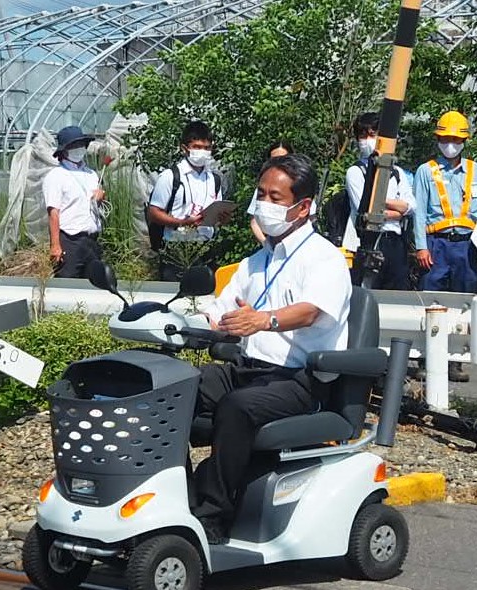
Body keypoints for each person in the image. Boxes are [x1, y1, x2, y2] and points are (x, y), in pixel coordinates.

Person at [193, 154, 352, 543]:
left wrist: (263, 319)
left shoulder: (325, 259)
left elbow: (311, 311)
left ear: (303, 207)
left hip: (298, 381)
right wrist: (196, 323)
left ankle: (213, 516)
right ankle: (173, 493)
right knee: (176, 388)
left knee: (237, 408)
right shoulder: (257, 261)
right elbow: (219, 309)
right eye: (261, 194)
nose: (264, 203)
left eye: (275, 197)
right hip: (247, 368)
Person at [413, 110, 477, 381]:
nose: (450, 143)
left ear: (463, 141)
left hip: (466, 245)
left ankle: (455, 361)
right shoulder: (426, 172)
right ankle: (428, 359)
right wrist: (421, 246)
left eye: (455, 139)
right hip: (436, 244)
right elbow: (419, 214)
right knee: (432, 301)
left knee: (463, 302)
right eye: (445, 138)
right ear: (438, 139)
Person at [342, 112, 415, 290]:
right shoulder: (355, 172)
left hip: (395, 241)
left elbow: (411, 206)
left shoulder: (396, 172)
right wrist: (398, 212)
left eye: (373, 135)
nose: (367, 140)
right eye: (363, 135)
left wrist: (384, 203)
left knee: (398, 294)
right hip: (367, 241)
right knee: (368, 293)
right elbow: (366, 207)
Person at [147, 120, 224, 281]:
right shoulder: (171, 176)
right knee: (175, 294)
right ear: (185, 148)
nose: (202, 152)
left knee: (202, 295)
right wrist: (182, 222)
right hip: (176, 246)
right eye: (197, 147)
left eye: (207, 148)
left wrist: (221, 218)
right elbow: (154, 213)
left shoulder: (214, 179)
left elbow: (218, 213)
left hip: (204, 246)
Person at [43, 125, 106, 278]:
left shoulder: (91, 174)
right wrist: (55, 245)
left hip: (91, 239)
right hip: (70, 240)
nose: (79, 149)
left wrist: (101, 196)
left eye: (81, 145)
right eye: (74, 145)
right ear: (64, 150)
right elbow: (53, 212)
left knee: (93, 282)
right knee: (68, 282)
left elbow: (97, 202)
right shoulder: (56, 175)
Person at [248, 141, 294, 244]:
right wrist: (266, 244)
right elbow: (254, 221)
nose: (278, 163)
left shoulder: (300, 186)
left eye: (282, 159)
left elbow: (310, 218)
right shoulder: (262, 188)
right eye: (274, 160)